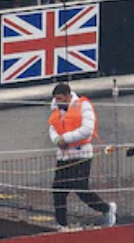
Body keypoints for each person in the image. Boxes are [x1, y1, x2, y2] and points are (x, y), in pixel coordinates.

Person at [47, 82, 116, 228]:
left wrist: (65, 138)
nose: (57, 102)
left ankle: (106, 209)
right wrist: (57, 140)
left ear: (68, 96)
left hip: (82, 154)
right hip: (64, 155)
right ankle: (62, 225)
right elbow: (52, 128)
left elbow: (87, 129)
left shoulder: (83, 106)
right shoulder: (56, 110)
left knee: (80, 187)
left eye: (60, 99)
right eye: (56, 99)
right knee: (58, 190)